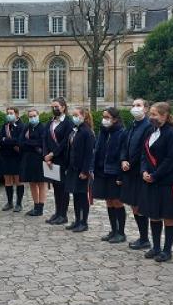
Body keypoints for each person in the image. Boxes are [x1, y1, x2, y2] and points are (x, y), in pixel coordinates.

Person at [138, 102, 173, 263]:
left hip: (166, 181)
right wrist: (144, 171)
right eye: (151, 114)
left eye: (155, 114)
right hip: (150, 180)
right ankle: (156, 247)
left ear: (164, 116)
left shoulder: (172, 134)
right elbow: (143, 154)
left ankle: (167, 250)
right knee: (154, 215)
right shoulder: (151, 132)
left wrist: (155, 175)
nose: (151, 117)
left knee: (168, 216)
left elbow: (172, 159)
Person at [120, 98, 153, 250]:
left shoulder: (148, 126)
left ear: (146, 109)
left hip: (139, 170)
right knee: (133, 204)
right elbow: (125, 145)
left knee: (139, 204)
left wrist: (131, 163)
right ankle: (142, 236)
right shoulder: (132, 125)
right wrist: (123, 160)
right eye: (133, 105)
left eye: (138, 105)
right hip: (128, 170)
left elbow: (144, 150)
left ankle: (145, 237)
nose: (135, 108)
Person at [92, 107, 126, 242]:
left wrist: (120, 175)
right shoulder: (103, 131)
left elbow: (122, 153)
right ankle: (113, 230)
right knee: (108, 201)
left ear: (115, 119)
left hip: (114, 171)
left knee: (117, 201)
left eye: (107, 117)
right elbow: (98, 150)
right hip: (102, 171)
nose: (104, 120)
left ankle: (121, 232)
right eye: (103, 117)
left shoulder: (122, 133)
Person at [64, 106, 96, 233]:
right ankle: (77, 220)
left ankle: (84, 222)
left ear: (83, 116)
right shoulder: (75, 130)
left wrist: (85, 171)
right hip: (73, 168)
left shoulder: (87, 132)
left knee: (83, 196)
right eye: (73, 115)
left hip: (82, 170)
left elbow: (89, 154)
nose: (74, 117)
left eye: (76, 115)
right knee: (76, 195)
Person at [44, 98, 75, 225]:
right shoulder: (50, 122)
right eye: (53, 107)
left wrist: (52, 154)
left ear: (63, 107)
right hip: (50, 160)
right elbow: (44, 139)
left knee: (63, 188)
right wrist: (46, 155)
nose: (54, 109)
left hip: (62, 159)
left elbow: (65, 142)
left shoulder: (68, 123)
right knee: (56, 188)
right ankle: (57, 212)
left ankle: (63, 214)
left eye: (56, 107)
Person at [20, 109, 48, 216]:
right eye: (30, 116)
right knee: (32, 183)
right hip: (28, 159)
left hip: (39, 159)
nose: (32, 118)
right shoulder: (27, 127)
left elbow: (42, 142)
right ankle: (35, 206)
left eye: (34, 116)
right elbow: (20, 142)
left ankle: (40, 207)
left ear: (38, 115)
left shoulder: (43, 127)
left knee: (41, 183)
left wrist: (29, 143)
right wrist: (32, 144)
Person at [0, 107, 24, 212]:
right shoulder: (5, 126)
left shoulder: (21, 126)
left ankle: (19, 203)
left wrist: (7, 140)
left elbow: (19, 141)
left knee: (18, 180)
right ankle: (9, 202)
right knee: (7, 180)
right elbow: (0, 140)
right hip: (6, 156)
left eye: (11, 113)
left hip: (17, 157)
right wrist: (9, 141)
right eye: (7, 113)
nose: (9, 115)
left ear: (17, 114)